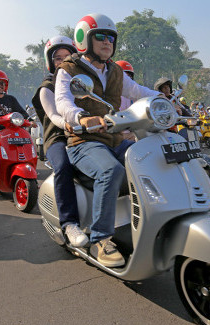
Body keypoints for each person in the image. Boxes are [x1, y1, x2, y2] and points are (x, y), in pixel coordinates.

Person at [54, 13, 160, 267]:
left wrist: (164, 100)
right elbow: (63, 102)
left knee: (151, 160)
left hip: (114, 138)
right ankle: (101, 239)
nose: (107, 42)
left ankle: (150, 221)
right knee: (110, 171)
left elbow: (138, 91)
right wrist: (80, 117)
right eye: (100, 37)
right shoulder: (68, 69)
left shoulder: (114, 71)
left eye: (111, 38)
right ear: (84, 40)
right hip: (84, 142)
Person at [31, 35, 88, 247]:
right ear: (50, 62)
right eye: (57, 58)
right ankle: (70, 223)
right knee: (64, 166)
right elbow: (54, 115)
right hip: (58, 136)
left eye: (68, 56)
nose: (63, 61)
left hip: (85, 133)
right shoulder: (47, 86)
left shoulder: (81, 82)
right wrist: (70, 125)